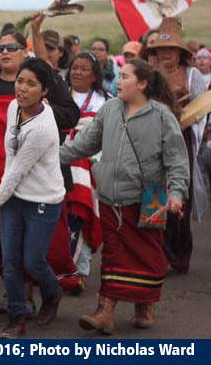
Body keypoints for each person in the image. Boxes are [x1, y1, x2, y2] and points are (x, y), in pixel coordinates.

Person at [60, 58, 187, 335]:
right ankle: (105, 311)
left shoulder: (162, 116)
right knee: (114, 256)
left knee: (149, 255)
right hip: (111, 194)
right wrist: (48, 158)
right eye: (119, 76)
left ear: (142, 83)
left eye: (126, 77)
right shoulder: (109, 109)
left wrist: (176, 194)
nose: (118, 81)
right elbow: (84, 145)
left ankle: (145, 303)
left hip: (153, 195)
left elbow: (177, 161)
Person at [0, 57, 67, 338]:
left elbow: (19, 168)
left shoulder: (42, 127)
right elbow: (10, 158)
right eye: (20, 81)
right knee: (10, 263)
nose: (22, 88)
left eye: (32, 84)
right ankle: (16, 319)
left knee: (33, 261)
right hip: (15, 198)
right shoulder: (12, 107)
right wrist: (3, 197)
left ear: (44, 91)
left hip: (43, 200)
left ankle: (52, 293)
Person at [139, 17, 205, 274]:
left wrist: (183, 123)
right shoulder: (147, 75)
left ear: (180, 53)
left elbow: (200, 110)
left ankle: (178, 253)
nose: (165, 54)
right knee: (153, 191)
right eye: (160, 49)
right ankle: (155, 253)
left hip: (182, 141)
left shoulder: (193, 75)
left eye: (170, 49)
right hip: (152, 141)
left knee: (179, 195)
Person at [63, 52, 109, 293]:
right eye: (74, 67)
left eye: (83, 69)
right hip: (60, 162)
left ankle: (78, 270)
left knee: (81, 213)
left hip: (91, 166)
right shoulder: (58, 94)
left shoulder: (106, 100)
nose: (77, 72)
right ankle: (61, 268)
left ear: (94, 76)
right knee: (62, 216)